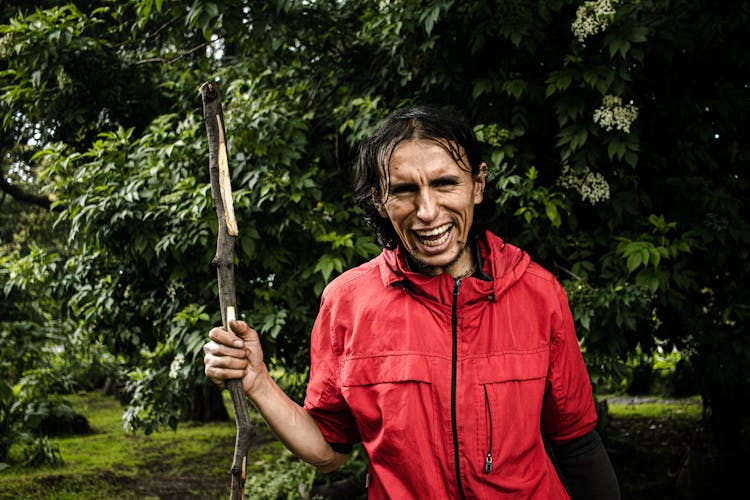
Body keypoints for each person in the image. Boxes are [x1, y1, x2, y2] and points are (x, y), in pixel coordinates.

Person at [203, 105, 621, 499]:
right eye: (404, 190)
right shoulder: (348, 302)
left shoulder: (537, 292)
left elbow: (577, 443)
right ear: (379, 201)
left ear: (477, 184)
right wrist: (258, 381)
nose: (427, 210)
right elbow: (329, 450)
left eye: (445, 183)